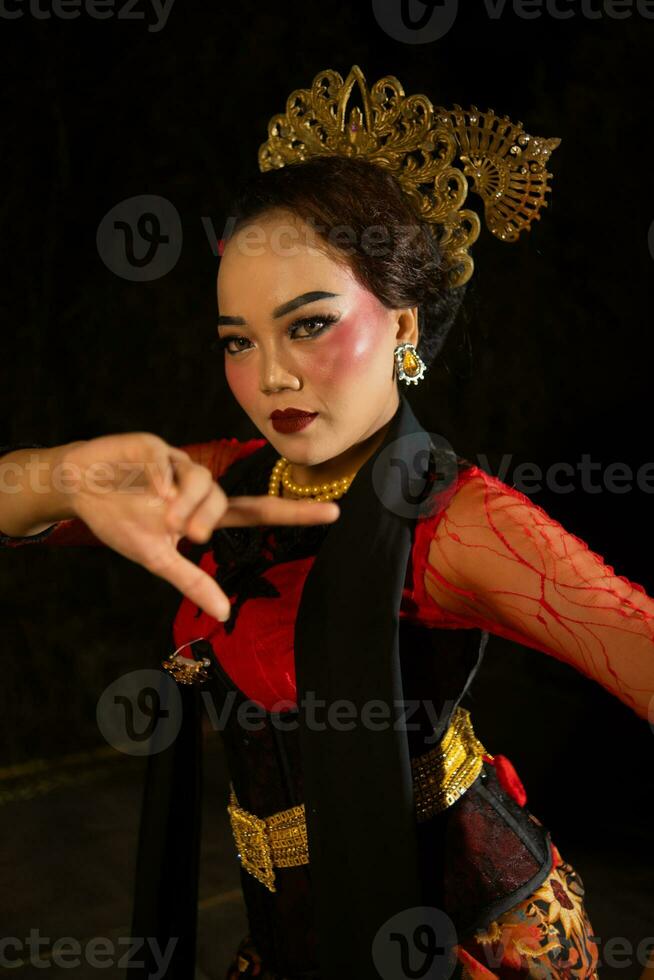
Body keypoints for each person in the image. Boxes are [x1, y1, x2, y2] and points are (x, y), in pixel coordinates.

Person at [1, 65, 652, 980]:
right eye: (238, 341)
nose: (270, 377)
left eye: (308, 325)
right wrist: (64, 476)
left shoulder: (457, 521)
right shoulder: (227, 480)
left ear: (404, 326)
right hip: (296, 933)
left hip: (463, 931)